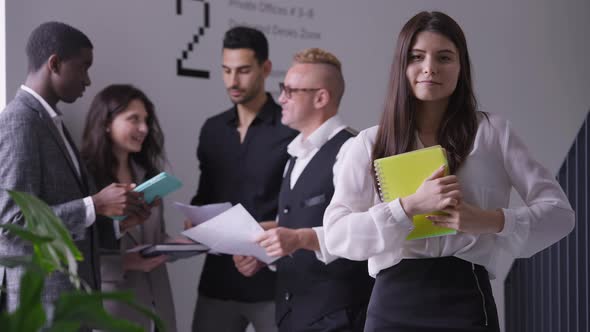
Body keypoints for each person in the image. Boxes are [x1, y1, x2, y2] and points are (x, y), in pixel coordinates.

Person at [322, 11, 575, 332]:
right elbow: (336, 235)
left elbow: (560, 214)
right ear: (401, 65)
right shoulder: (369, 142)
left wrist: (489, 220)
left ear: (461, 67)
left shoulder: (493, 132)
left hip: (466, 296)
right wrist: (407, 208)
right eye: (416, 57)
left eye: (444, 57)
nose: (430, 68)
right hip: (391, 302)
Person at [0, 22, 148, 317]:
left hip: (68, 304)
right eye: (83, 67)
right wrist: (95, 204)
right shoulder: (20, 121)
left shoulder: (51, 123)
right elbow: (11, 224)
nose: (88, 80)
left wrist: (117, 223)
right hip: (41, 307)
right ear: (54, 64)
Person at [234, 48, 374, 332]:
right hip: (292, 315)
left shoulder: (352, 150)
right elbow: (302, 221)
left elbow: (363, 230)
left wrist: (297, 238)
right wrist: (268, 244)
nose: (281, 98)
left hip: (338, 317)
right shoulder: (296, 155)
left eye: (290, 90)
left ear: (321, 97)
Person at [189, 26, 297, 332]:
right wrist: (194, 219)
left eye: (243, 71)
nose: (233, 81)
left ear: (266, 68)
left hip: (274, 283)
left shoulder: (290, 131)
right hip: (217, 282)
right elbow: (206, 194)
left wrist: (265, 249)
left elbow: (299, 208)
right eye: (226, 70)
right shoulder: (212, 129)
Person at [81, 84, 177, 331]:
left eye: (146, 120)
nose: (144, 129)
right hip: (114, 304)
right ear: (106, 122)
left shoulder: (149, 176)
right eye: (133, 119)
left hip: (158, 302)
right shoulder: (85, 178)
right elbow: (75, 249)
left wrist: (183, 243)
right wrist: (124, 262)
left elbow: (156, 236)